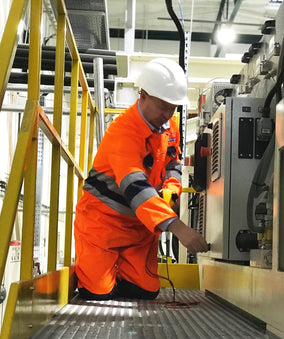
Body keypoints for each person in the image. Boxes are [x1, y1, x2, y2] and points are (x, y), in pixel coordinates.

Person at [74, 58, 208, 300]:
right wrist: (178, 228)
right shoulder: (123, 132)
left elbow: (172, 163)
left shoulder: (169, 126)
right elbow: (134, 186)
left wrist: (172, 188)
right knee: (98, 293)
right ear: (143, 96)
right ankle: (100, 274)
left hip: (140, 229)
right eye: (163, 107)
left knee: (144, 292)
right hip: (103, 225)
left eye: (173, 108)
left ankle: (121, 273)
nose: (168, 114)